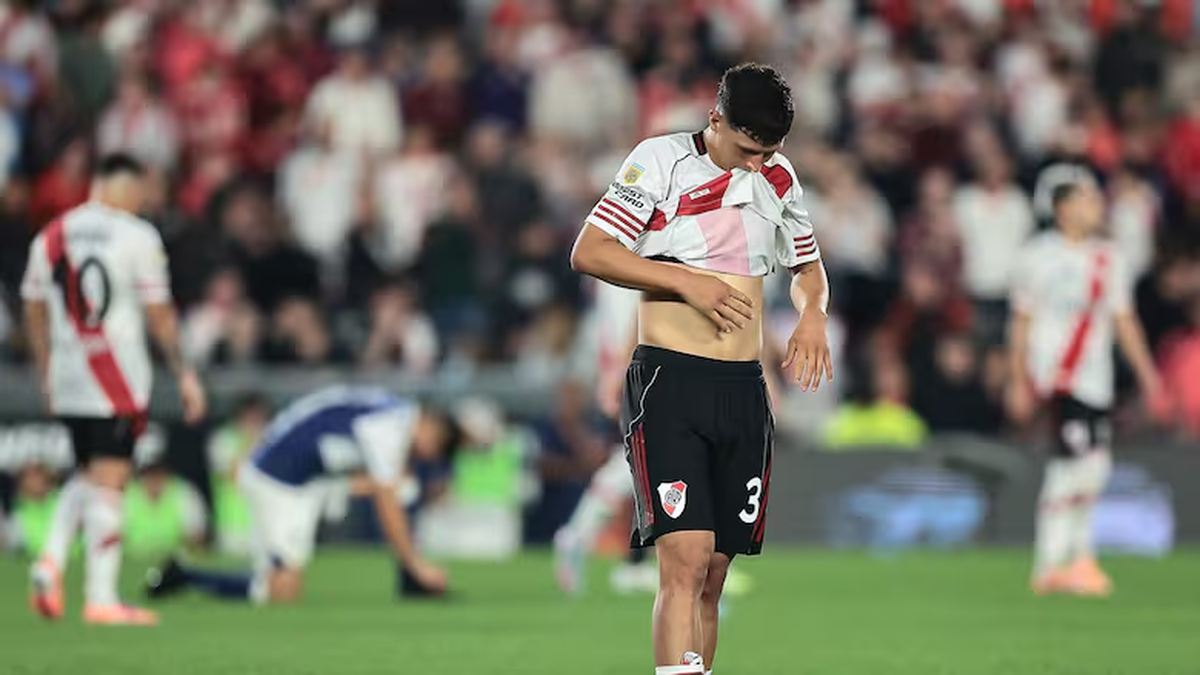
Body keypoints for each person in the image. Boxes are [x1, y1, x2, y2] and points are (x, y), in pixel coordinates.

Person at [570, 63, 832, 675]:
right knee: (684, 563)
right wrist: (687, 281)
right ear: (716, 120)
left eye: (768, 152)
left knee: (714, 574)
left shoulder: (779, 176)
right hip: (670, 381)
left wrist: (813, 312)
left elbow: (807, 265)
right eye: (746, 149)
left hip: (743, 389)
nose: (755, 165)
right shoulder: (659, 162)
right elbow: (591, 251)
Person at [21, 153, 207, 626]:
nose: (144, 201)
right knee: (110, 482)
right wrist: (184, 372)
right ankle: (101, 598)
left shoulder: (52, 235)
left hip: (67, 374)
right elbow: (159, 313)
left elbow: (34, 307)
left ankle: (51, 561)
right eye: (141, 191)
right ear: (123, 186)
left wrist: (45, 370)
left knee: (88, 474)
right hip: (115, 374)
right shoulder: (137, 236)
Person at [1007, 167, 1168, 597]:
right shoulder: (1037, 256)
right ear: (1062, 208)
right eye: (1087, 199)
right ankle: (1057, 561)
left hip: (1096, 377)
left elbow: (1123, 321)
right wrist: (1017, 379)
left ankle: (1071, 561)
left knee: (1089, 468)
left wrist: (1149, 376)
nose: (1096, 206)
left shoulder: (1108, 257)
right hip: (1059, 375)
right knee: (1077, 467)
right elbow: (1021, 323)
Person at [144, 385, 460, 605]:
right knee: (281, 590)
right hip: (278, 479)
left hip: (307, 479)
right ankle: (184, 576)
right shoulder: (390, 427)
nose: (428, 455)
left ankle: (410, 581)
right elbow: (386, 502)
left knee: (401, 487)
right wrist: (417, 563)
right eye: (436, 446)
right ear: (430, 427)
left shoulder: (392, 414)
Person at [553, 280, 658, 595]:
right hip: (641, 363)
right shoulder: (634, 247)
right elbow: (642, 306)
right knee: (646, 460)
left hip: (636, 360)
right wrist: (625, 367)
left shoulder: (616, 249)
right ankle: (583, 537)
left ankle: (634, 561)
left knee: (648, 465)